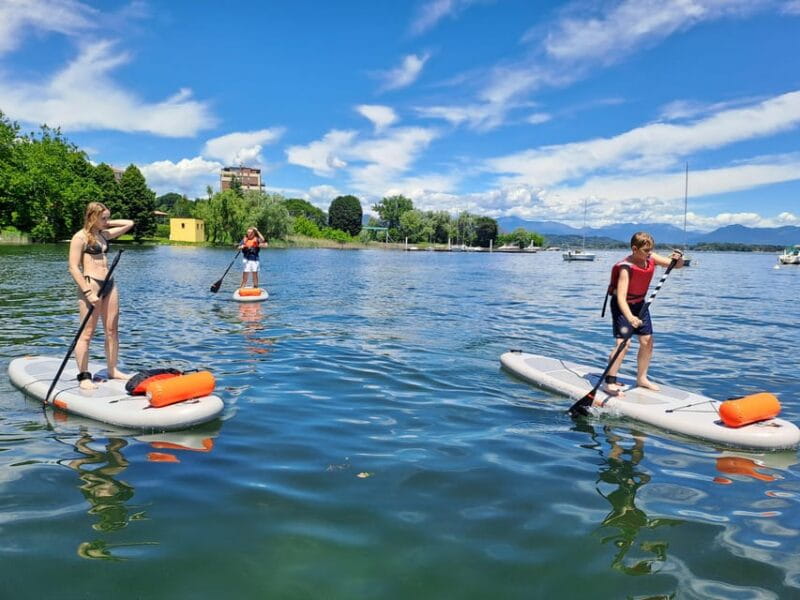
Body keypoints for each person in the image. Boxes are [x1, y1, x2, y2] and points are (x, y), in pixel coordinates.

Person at [603, 232, 683, 395]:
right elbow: (621, 298)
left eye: (651, 249)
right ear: (634, 249)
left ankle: (642, 378)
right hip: (622, 307)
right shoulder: (626, 267)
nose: (649, 253)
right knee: (624, 344)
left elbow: (676, 265)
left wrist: (679, 258)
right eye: (646, 250)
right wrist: (630, 318)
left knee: (647, 341)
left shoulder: (650, 257)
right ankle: (609, 381)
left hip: (640, 305)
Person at [68, 202, 134, 390]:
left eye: (108, 218)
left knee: (112, 330)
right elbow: (73, 267)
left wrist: (106, 222)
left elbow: (129, 224)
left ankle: (112, 370)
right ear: (92, 217)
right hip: (91, 285)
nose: (107, 221)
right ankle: (84, 377)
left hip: (109, 284)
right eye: (103, 218)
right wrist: (88, 292)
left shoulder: (104, 235)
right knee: (87, 333)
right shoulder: (80, 237)